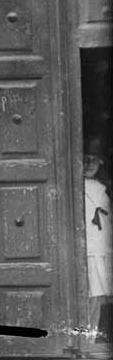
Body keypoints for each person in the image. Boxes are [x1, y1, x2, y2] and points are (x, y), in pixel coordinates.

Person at [84, 146, 112, 344]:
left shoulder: (103, 188)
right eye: (85, 159)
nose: (89, 164)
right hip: (88, 247)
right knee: (89, 292)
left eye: (94, 160)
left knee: (100, 293)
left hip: (102, 244)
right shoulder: (77, 186)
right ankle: (87, 336)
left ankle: (96, 335)